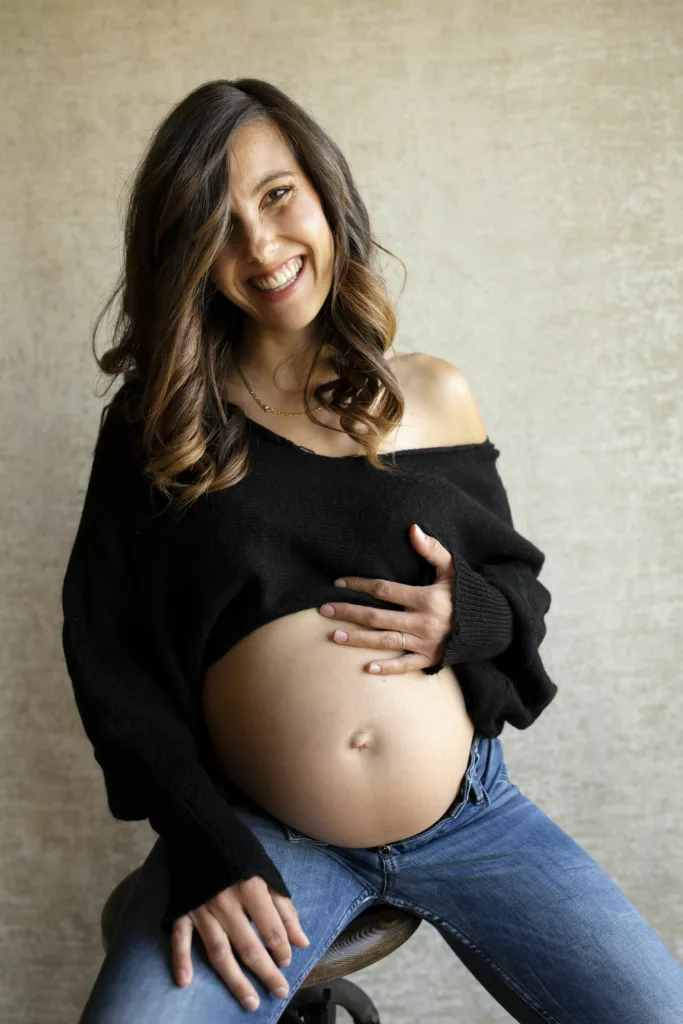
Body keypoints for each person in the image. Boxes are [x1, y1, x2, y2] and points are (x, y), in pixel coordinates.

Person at [62, 78, 683, 1023]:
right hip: (260, 837)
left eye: (276, 195)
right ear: (185, 250)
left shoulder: (431, 391)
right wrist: (201, 846)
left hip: (471, 820)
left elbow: (517, 587)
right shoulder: (165, 424)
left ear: (323, 193)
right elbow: (108, 656)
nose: (261, 246)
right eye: (216, 223)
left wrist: (462, 615)